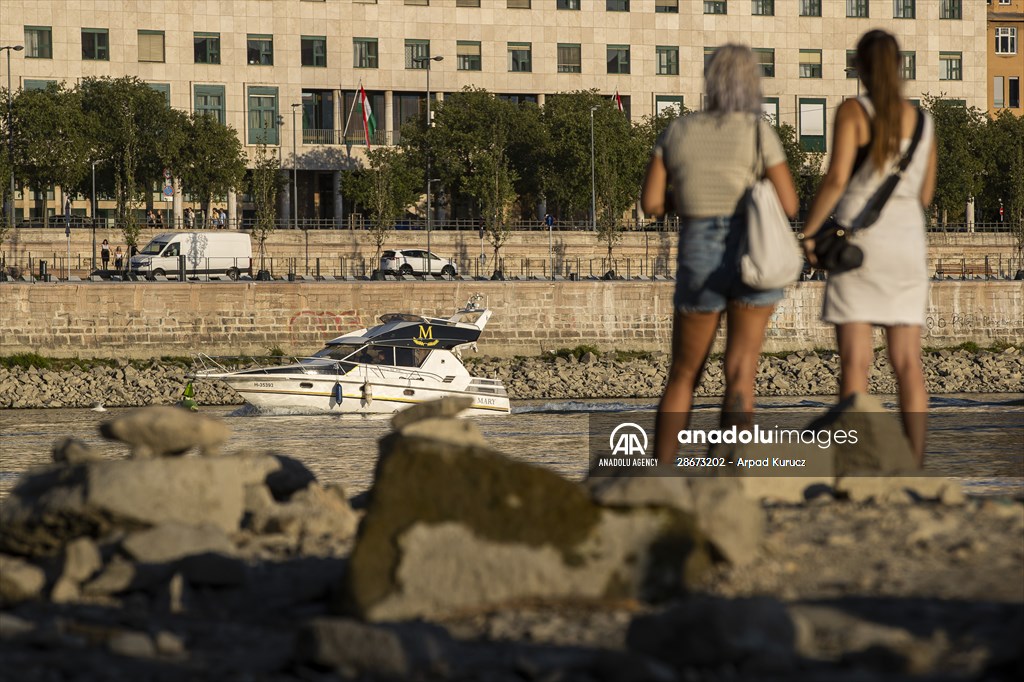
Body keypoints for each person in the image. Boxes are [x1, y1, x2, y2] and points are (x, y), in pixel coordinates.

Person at [640, 44, 798, 464]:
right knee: (741, 372)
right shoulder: (758, 132)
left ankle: (662, 471)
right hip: (752, 253)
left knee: (683, 373)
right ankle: (730, 467)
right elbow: (789, 203)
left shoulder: (678, 131)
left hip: (698, 253)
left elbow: (651, 203)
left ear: (709, 81)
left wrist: (683, 199)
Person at [799, 30, 937, 466]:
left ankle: (854, 465)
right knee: (908, 363)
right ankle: (915, 465)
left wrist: (809, 232)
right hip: (906, 246)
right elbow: (925, 194)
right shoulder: (924, 122)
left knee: (855, 363)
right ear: (899, 67)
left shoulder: (853, 112)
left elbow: (837, 179)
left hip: (858, 247)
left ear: (858, 66)